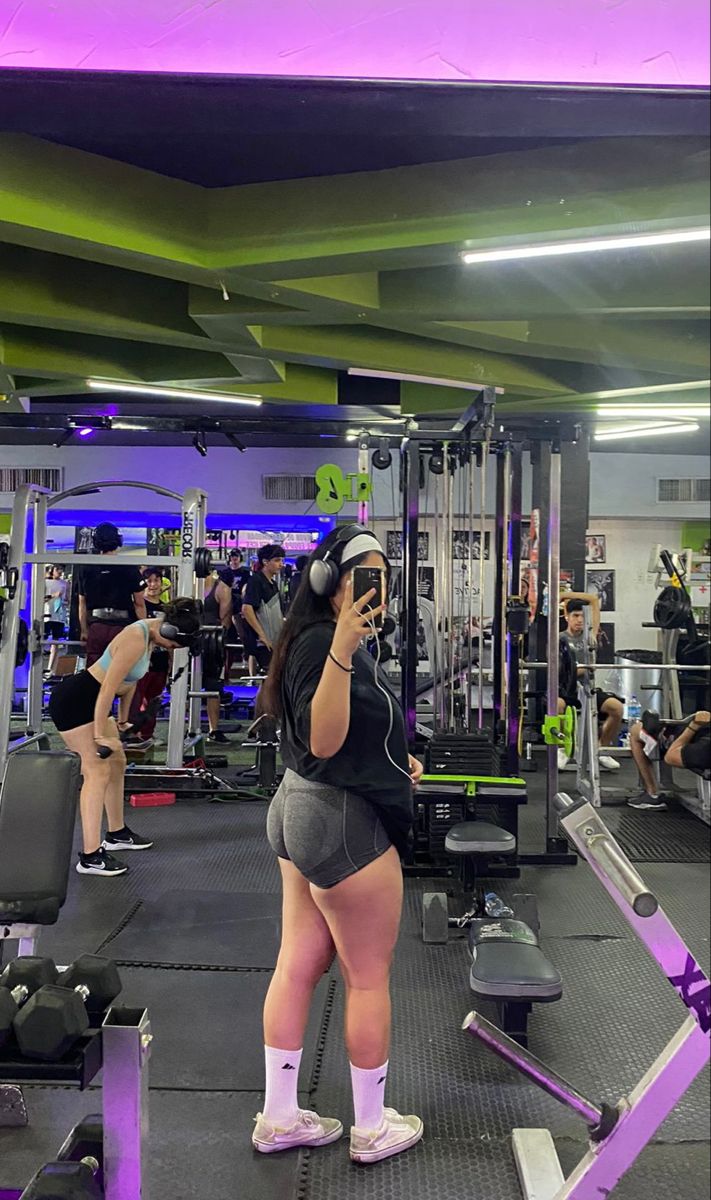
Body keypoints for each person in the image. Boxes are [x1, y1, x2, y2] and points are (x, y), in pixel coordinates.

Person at [253, 525, 424, 1164]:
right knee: (368, 976)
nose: (375, 587)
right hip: (339, 824)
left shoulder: (322, 640)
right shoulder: (328, 644)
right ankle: (374, 1126)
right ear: (328, 580)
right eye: (363, 574)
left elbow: (344, 738)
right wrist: (346, 648)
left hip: (302, 809)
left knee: (297, 963)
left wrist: (394, 763)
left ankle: (279, 1116)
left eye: (383, 575)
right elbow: (324, 740)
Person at [48, 598, 203, 877]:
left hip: (94, 703)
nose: (173, 650)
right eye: (176, 645)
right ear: (168, 633)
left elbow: (128, 682)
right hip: (77, 701)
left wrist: (121, 720)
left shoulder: (150, 637)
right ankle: (90, 856)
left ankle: (117, 833)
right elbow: (107, 688)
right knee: (95, 771)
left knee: (117, 762)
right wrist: (100, 735)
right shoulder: (135, 636)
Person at [558, 596, 623, 772]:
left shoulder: (590, 636)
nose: (580, 620)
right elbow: (560, 672)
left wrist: (565, 596)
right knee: (556, 706)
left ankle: (601, 749)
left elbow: (594, 600)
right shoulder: (559, 639)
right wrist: (584, 669)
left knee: (616, 708)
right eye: (575, 615)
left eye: (582, 616)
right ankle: (564, 748)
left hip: (588, 687)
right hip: (567, 689)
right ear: (567, 616)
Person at [78, 523, 147, 667]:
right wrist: (144, 631)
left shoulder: (86, 566)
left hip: (96, 626)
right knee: (121, 670)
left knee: (94, 672)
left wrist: (84, 630)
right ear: (119, 541)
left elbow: (82, 603)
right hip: (122, 627)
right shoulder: (129, 567)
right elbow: (139, 604)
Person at [124, 568, 170, 748]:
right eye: (149, 581)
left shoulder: (166, 609)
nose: (153, 585)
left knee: (154, 699)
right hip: (142, 661)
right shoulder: (138, 606)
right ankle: (132, 733)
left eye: (156, 580)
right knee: (136, 698)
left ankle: (148, 734)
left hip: (161, 660)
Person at [628, 710, 711, 810]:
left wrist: (694, 726)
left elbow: (670, 757)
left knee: (636, 731)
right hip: (690, 729)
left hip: (684, 738)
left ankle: (652, 794)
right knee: (638, 727)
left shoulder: (704, 749)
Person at [202, 566, 234, 744]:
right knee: (185, 685)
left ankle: (214, 730)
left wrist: (218, 645)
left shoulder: (222, 589)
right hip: (192, 641)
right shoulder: (189, 584)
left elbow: (225, 622)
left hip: (213, 644)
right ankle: (184, 729)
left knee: (213, 687)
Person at [242, 544, 285, 674]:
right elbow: (247, 609)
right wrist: (262, 636)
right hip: (263, 643)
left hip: (274, 640)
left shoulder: (273, 584)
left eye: (282, 560)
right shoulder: (256, 581)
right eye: (277, 560)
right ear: (265, 562)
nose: (281, 564)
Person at [225, 549, 250, 677]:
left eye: (236, 557)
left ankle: (245, 656)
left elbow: (247, 588)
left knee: (243, 633)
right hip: (227, 605)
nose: (234, 559)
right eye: (232, 557)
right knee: (228, 636)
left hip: (239, 606)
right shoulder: (225, 572)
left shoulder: (245, 573)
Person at [44, 564, 69, 676]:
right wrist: (53, 595)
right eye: (57, 569)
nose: (59, 572)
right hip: (46, 614)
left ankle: (51, 669)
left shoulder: (65, 584)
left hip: (59, 616)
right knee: (42, 639)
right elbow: (41, 598)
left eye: (61, 570)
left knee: (56, 642)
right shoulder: (45, 582)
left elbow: (67, 599)